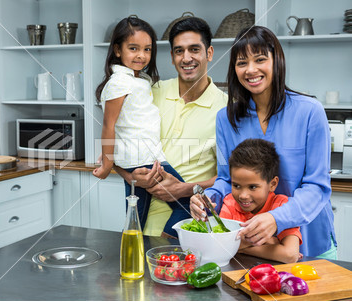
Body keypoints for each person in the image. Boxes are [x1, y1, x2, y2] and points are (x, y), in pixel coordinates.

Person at [190, 26, 336, 259]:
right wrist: (210, 199)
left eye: (260, 59)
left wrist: (277, 219)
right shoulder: (225, 119)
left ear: (276, 61)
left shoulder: (310, 112)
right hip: (256, 242)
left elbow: (317, 187)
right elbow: (227, 179)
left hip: (310, 241)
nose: (251, 70)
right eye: (241, 63)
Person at [113, 17, 228, 237]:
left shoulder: (227, 109)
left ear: (209, 53)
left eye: (194, 49)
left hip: (190, 226)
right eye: (179, 51)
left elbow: (232, 178)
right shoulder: (149, 92)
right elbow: (118, 143)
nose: (187, 58)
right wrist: (130, 177)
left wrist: (184, 189)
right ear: (172, 57)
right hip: (142, 219)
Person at [93, 16, 190, 238]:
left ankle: (144, 254)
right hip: (142, 160)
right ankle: (159, 249)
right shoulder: (119, 82)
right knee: (188, 205)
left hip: (148, 156)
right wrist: (108, 165)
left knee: (136, 220)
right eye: (133, 48)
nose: (141, 55)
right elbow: (109, 125)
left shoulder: (140, 80)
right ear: (117, 50)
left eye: (147, 49)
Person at [219, 138, 301, 263]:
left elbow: (290, 255)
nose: (243, 195)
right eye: (236, 186)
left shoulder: (282, 206)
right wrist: (272, 242)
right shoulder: (230, 203)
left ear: (272, 184)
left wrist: (240, 246)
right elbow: (221, 246)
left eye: (252, 187)